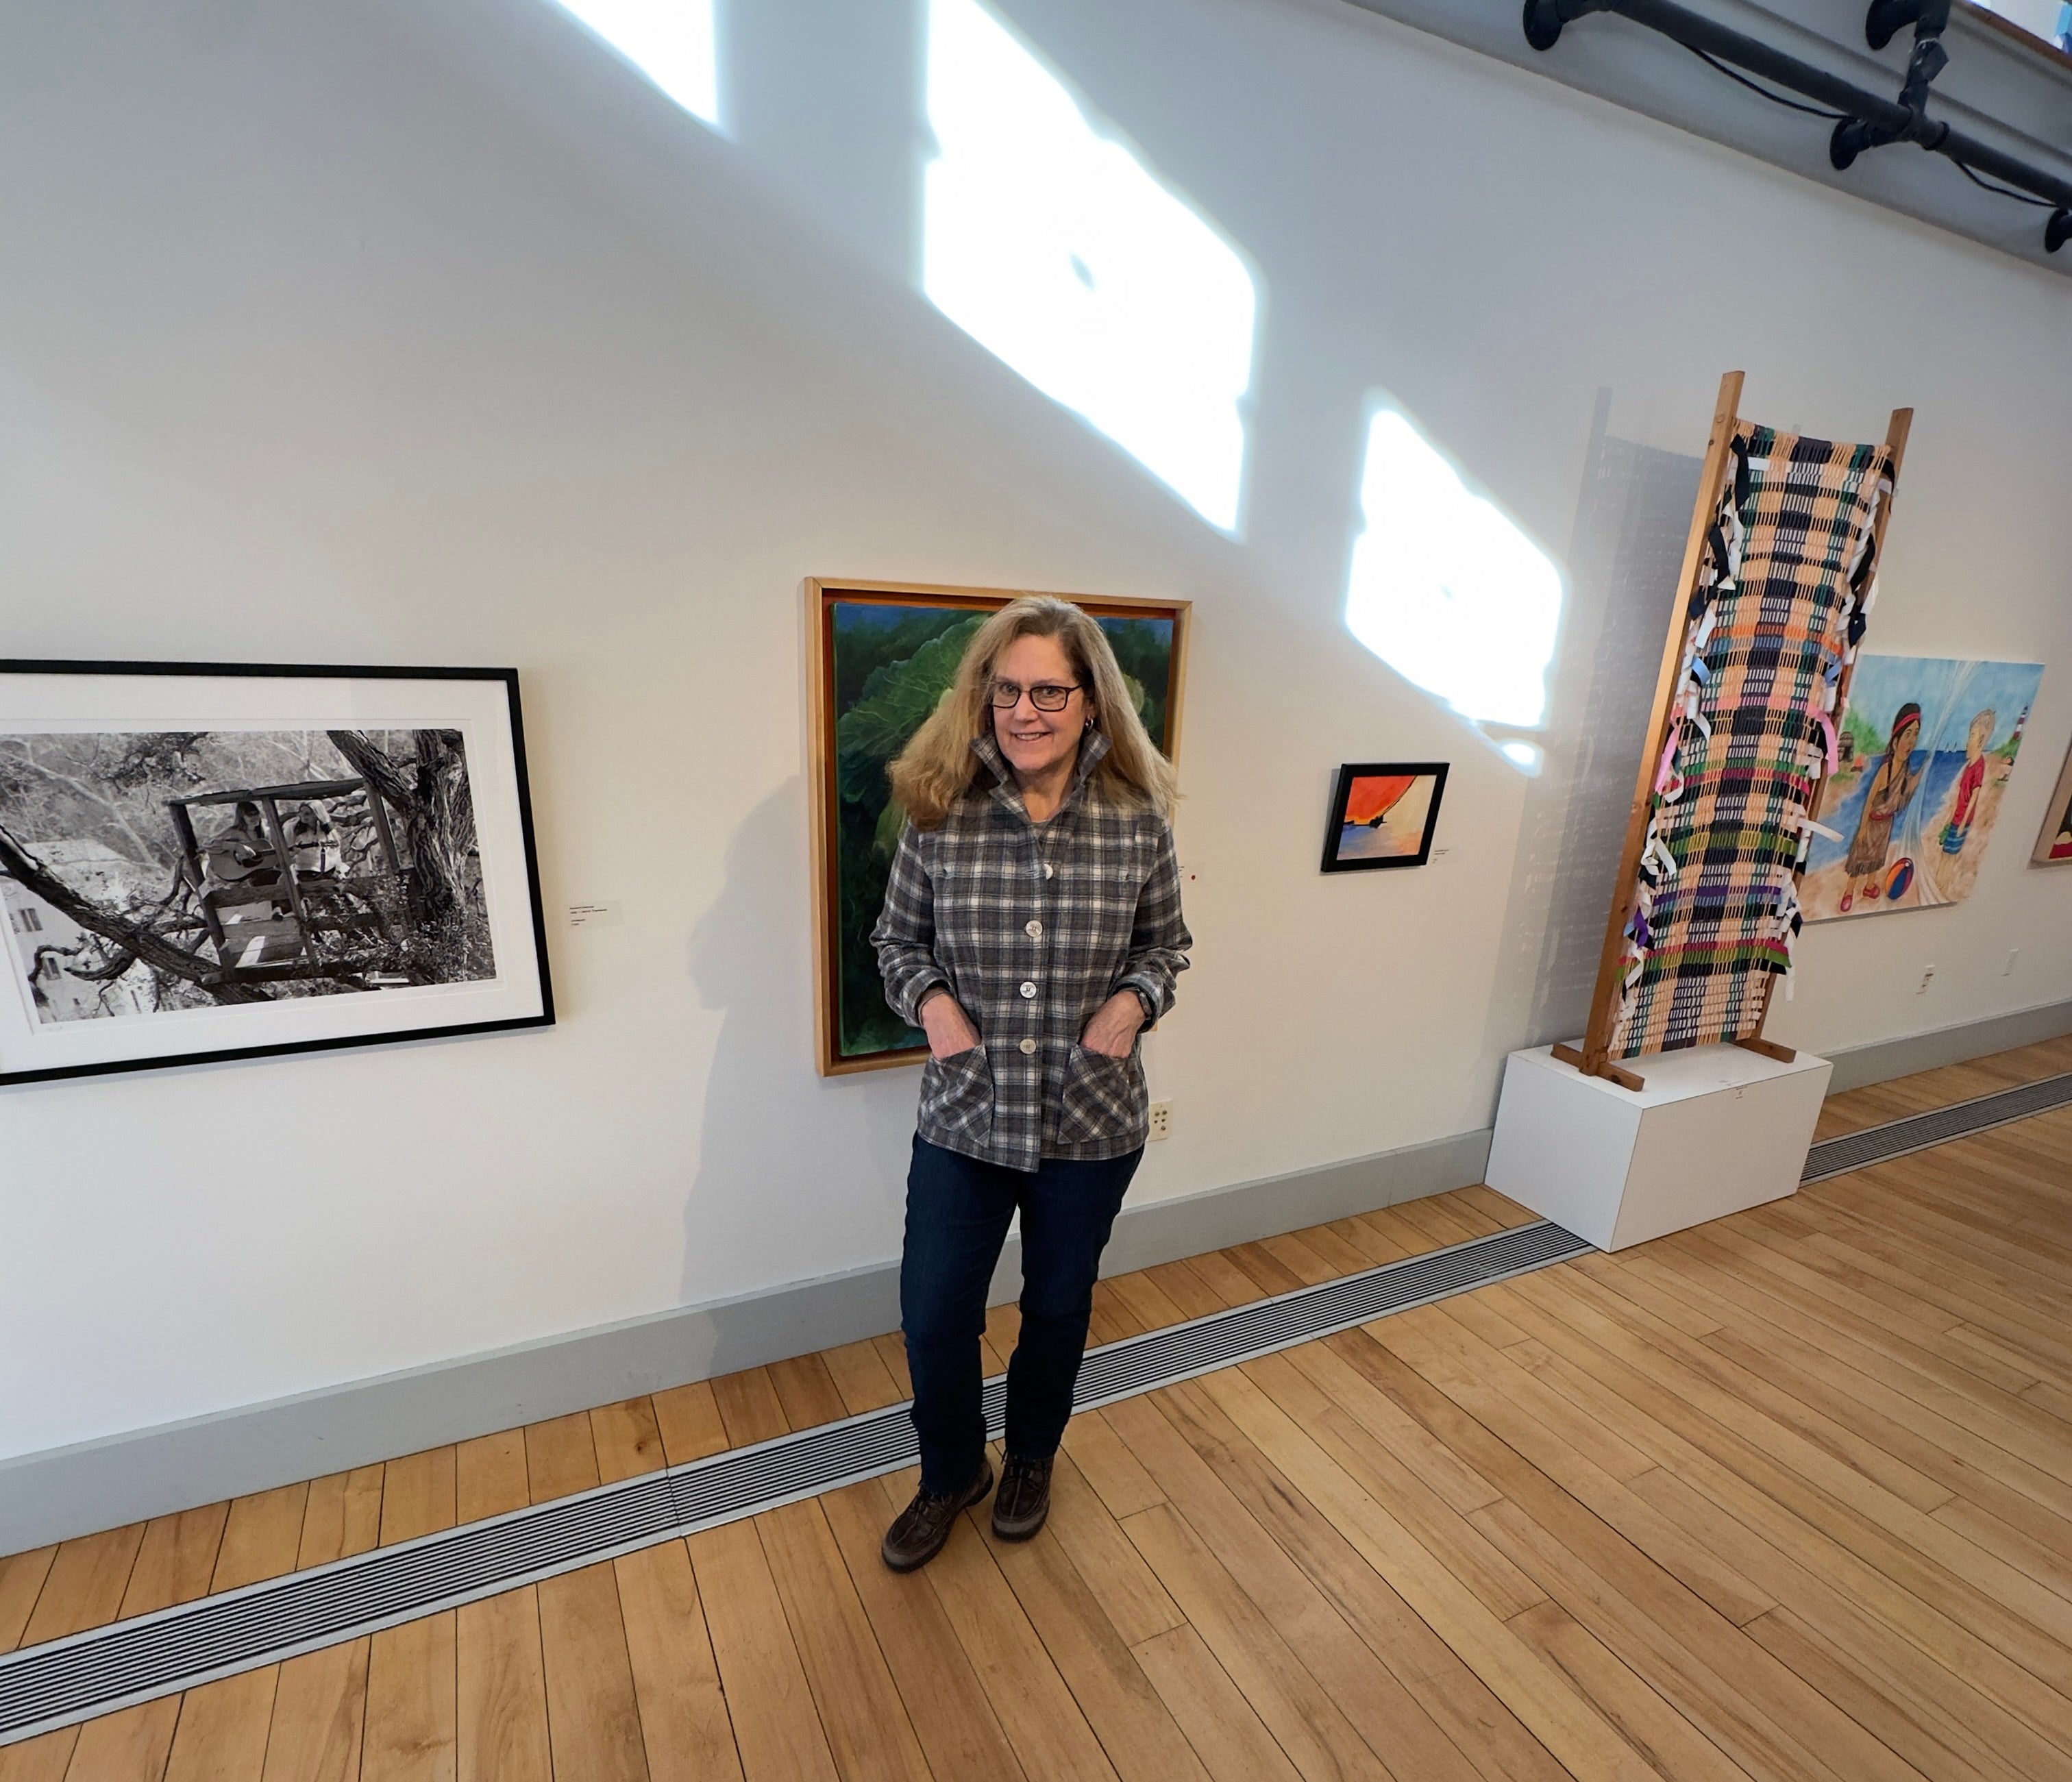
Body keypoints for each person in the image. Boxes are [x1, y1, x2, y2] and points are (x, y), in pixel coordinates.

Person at [871, 596, 1191, 1572]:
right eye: (1007, 689)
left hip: (1090, 1122)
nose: (1025, 710)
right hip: (967, 1116)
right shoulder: (939, 807)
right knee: (934, 1309)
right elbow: (895, 943)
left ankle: (1032, 1458)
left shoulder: (1137, 823)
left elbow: (1166, 947)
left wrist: (1133, 1002)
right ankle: (951, 1470)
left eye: (1048, 689)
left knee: (1057, 1303)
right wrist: (933, 1006)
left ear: (1090, 701)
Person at [1840, 702, 1923, 912]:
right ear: (1895, 742)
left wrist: (1925, 769)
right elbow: (1869, 800)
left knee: (1877, 857)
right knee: (1859, 858)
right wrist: (1863, 828)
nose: (1911, 741)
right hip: (1873, 821)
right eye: (1907, 735)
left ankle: (1869, 887)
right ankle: (1849, 892)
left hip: (1886, 824)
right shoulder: (1885, 769)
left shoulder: (1905, 769)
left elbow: (1908, 788)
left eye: (1916, 734)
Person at [1938, 708, 1996, 856]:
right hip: (1956, 817)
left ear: (1981, 740)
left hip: (1962, 820)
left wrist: (1963, 823)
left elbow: (1974, 797)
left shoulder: (1979, 766)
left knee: (1949, 856)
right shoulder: (1969, 765)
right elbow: (1960, 796)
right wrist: (1949, 818)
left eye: (1972, 736)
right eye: (1970, 736)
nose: (1968, 741)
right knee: (1945, 853)